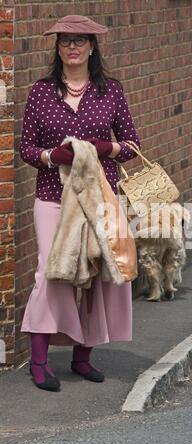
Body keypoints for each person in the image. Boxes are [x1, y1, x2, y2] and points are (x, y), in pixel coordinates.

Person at [20, 15, 140, 392]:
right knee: (50, 272)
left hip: (99, 197)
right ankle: (39, 361)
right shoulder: (41, 92)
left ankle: (83, 358)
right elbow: (26, 149)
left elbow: (132, 145)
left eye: (80, 41)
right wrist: (52, 156)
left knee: (97, 275)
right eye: (66, 41)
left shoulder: (111, 91)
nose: (73, 47)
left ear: (92, 47)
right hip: (53, 197)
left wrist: (104, 148)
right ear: (57, 49)